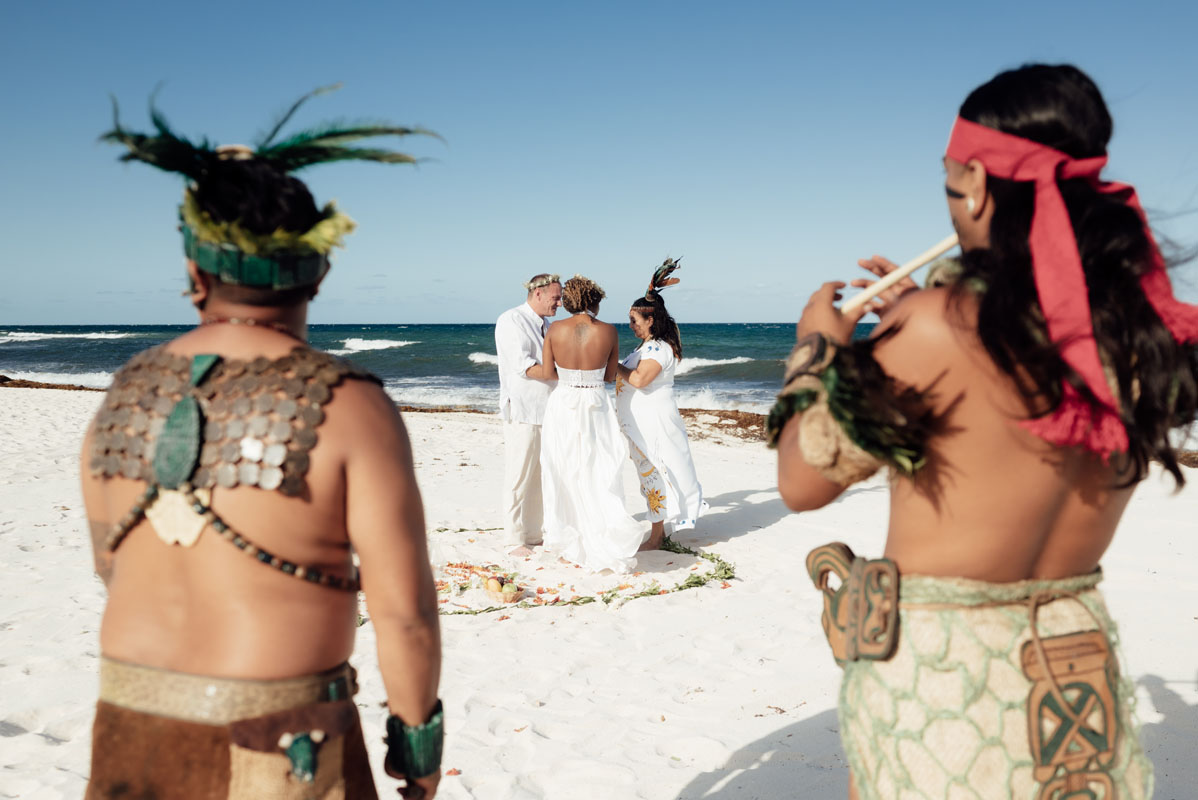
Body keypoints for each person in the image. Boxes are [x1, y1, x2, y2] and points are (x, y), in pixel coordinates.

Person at [773, 64, 1197, 800]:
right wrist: (925, 317)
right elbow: (1026, 360)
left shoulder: (934, 328)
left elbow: (801, 482)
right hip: (1074, 664)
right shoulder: (1140, 336)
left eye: (948, 180)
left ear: (972, 182)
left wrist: (819, 353)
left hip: (942, 680)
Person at [82, 89, 444, 799]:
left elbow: (112, 565)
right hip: (283, 744)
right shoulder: (351, 404)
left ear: (195, 275)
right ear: (318, 272)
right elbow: (405, 616)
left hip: (128, 727)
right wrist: (417, 748)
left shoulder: (123, 393)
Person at [539, 275, 647, 572]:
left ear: (570, 302)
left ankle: (567, 539)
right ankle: (600, 534)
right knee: (599, 470)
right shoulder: (609, 331)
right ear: (595, 301)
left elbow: (549, 372)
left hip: (563, 404)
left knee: (563, 468)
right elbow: (611, 376)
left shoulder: (555, 329)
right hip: (596, 404)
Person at [615, 259, 706, 550]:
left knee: (656, 472)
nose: (630, 325)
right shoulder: (647, 346)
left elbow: (640, 381)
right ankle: (658, 532)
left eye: (634, 320)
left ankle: (657, 536)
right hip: (642, 422)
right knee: (649, 473)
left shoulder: (658, 348)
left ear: (651, 320)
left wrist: (613, 365)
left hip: (653, 422)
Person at [494, 274, 562, 556]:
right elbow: (524, 366)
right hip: (523, 408)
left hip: (545, 409)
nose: (560, 303)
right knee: (519, 475)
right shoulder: (511, 320)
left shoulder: (545, 325)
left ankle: (533, 534)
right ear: (538, 294)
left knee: (539, 476)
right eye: (556, 297)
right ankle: (513, 539)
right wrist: (561, 374)